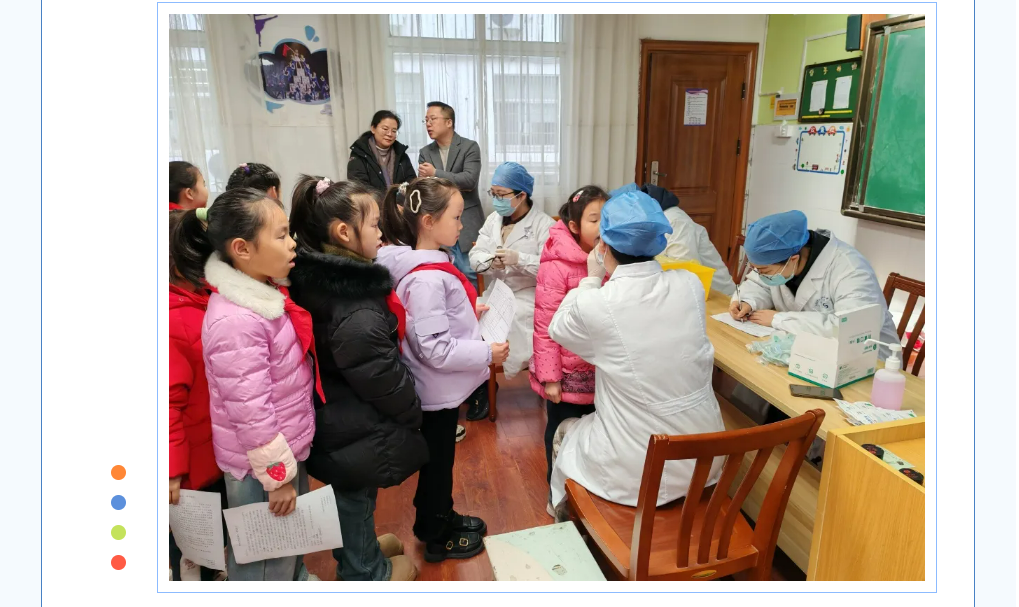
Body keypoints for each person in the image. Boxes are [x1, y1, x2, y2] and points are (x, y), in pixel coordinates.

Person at [171, 187, 321, 581]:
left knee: (287, 551)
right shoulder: (237, 321)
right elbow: (251, 412)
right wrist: (278, 477)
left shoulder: (261, 293)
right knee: (264, 567)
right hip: (261, 468)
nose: (292, 243)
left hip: (281, 453)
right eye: (281, 235)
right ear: (242, 249)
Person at [287, 175, 428, 582]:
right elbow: (379, 375)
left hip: (343, 416)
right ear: (344, 233)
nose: (381, 232)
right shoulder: (355, 305)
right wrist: (411, 409)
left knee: (355, 495)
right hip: (355, 422)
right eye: (374, 224)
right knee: (354, 498)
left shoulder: (324, 277)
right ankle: (365, 573)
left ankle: (362, 551)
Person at [547, 190, 726, 510]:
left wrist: (590, 279)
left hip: (639, 470)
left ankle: (568, 521)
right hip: (704, 458)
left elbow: (559, 329)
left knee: (565, 431)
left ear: (603, 246)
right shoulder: (690, 284)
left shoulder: (599, 303)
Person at [376, 176, 506, 563]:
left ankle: (441, 515)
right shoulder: (426, 278)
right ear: (429, 222)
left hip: (439, 386)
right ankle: (435, 535)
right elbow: (434, 348)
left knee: (441, 462)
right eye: (456, 216)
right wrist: (486, 353)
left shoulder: (428, 267)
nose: (462, 224)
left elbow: (433, 326)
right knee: (437, 465)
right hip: (436, 389)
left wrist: (469, 310)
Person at [729, 210, 899, 359]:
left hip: (866, 361)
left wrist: (779, 319)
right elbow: (760, 284)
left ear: (793, 259)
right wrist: (747, 301)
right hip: (808, 351)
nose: (759, 274)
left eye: (763, 270)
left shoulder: (851, 270)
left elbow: (851, 329)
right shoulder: (781, 258)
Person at [529, 186, 606, 517]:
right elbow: (544, 325)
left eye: (607, 218)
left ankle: (588, 497)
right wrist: (551, 378)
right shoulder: (557, 264)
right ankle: (556, 495)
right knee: (560, 436)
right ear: (574, 226)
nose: (602, 226)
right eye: (594, 219)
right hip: (566, 375)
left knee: (595, 436)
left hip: (598, 372)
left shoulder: (609, 257)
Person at [467, 162, 555, 417]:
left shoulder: (544, 224)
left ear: (521, 195)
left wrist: (520, 259)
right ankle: (481, 384)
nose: (496, 200)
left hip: (529, 294)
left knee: (506, 321)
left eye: (501, 194)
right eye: (493, 193)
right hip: (497, 291)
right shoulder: (493, 220)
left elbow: (551, 269)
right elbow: (475, 256)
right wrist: (489, 261)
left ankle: (493, 381)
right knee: (471, 317)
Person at [168, 210, 226, 581]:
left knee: (214, 544)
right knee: (191, 554)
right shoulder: (170, 320)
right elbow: (165, 404)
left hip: (212, 453)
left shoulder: (202, 298)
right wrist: (172, 470)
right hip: (189, 471)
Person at [611, 182, 737, 296]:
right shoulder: (645, 222)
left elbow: (683, 275)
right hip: (682, 294)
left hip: (720, 301)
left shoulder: (676, 222)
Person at [417, 101, 485, 291]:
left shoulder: (469, 147)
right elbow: (426, 188)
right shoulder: (425, 152)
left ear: (449, 122)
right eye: (426, 120)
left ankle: (475, 307)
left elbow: (469, 180)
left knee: (469, 272)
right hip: (438, 222)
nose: (428, 124)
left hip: (466, 220)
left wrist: (435, 173)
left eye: (433, 119)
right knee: (445, 273)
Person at [347, 110, 416, 192]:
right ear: (373, 129)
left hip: (400, 200)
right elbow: (358, 187)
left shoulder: (401, 154)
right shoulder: (360, 153)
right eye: (385, 129)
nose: (390, 134)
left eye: (394, 131)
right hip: (371, 200)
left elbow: (412, 182)